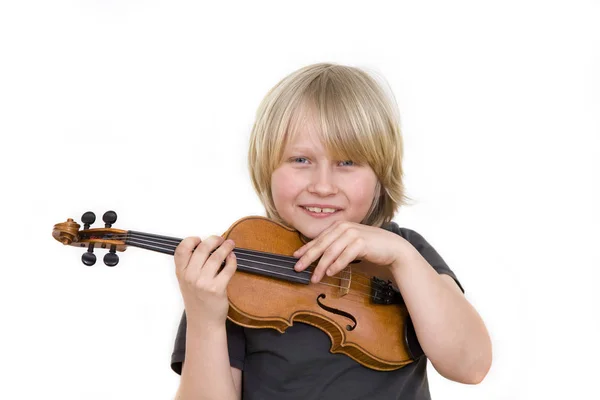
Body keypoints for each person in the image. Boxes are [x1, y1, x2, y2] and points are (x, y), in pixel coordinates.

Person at [170, 63, 492, 399]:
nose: (323, 186)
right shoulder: (234, 274)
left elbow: (471, 366)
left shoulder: (405, 251)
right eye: (300, 160)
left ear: (381, 174)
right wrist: (205, 319)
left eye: (347, 163)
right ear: (267, 167)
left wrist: (402, 258)